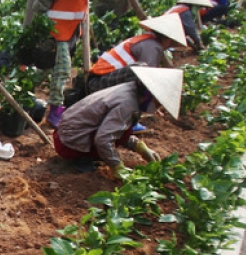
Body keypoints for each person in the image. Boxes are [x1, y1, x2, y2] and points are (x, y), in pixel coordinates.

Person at [53, 66, 182, 176]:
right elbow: (103, 138)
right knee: (110, 138)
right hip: (68, 142)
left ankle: (84, 156)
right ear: (149, 96)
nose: (158, 108)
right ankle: (81, 159)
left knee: (121, 129)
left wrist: (139, 147)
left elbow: (119, 130)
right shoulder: (128, 104)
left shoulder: (131, 89)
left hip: (67, 132)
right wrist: (117, 166)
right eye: (158, 104)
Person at [32, 0, 101, 128]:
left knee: (46, 68)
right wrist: (36, 22)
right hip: (56, 26)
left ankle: (20, 92)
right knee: (62, 69)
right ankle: (55, 110)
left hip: (71, 28)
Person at [87, 15, 186, 94]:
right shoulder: (152, 46)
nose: (169, 46)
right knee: (142, 71)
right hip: (99, 83)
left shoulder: (146, 39)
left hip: (97, 79)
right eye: (171, 42)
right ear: (166, 38)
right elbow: (150, 78)